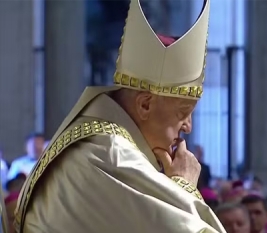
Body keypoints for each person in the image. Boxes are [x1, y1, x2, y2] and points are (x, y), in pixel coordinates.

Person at [14, 0, 225, 232]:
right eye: (183, 113)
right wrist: (184, 187)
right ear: (145, 105)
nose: (187, 127)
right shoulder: (111, 154)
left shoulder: (102, 144)